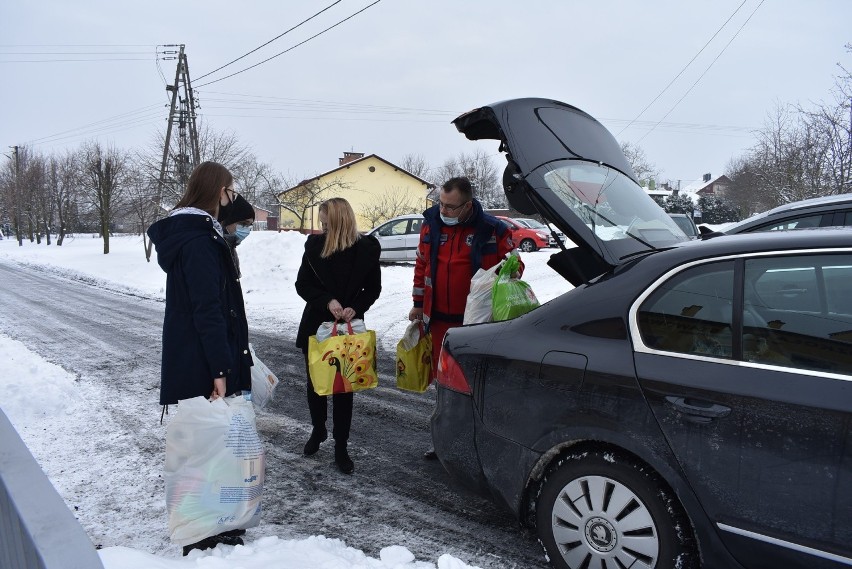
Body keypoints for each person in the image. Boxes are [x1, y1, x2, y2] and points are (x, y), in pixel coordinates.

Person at [147, 161, 253, 555]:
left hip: (198, 356)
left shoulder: (196, 233)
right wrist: (221, 369)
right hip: (203, 362)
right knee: (206, 448)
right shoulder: (198, 240)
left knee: (210, 444)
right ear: (216, 192)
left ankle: (213, 520)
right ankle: (202, 527)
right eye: (229, 191)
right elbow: (207, 309)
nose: (232, 198)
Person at [408, 176, 519, 459]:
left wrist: (511, 271)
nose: (444, 211)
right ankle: (444, 440)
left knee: (474, 383)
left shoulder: (493, 230)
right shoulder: (430, 225)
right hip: (439, 322)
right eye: (441, 204)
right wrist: (418, 304)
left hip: (475, 325)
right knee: (443, 381)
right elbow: (422, 266)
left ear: (468, 205)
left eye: (451, 207)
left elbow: (515, 266)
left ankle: (479, 442)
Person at [295, 197, 382, 475]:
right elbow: (302, 284)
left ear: (338, 220)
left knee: (344, 390)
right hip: (317, 325)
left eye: (325, 222)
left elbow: (373, 289)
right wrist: (326, 301)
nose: (322, 227)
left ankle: (341, 447)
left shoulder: (367, 249)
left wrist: (357, 307)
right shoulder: (314, 246)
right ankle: (318, 429)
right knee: (317, 385)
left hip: (349, 329)